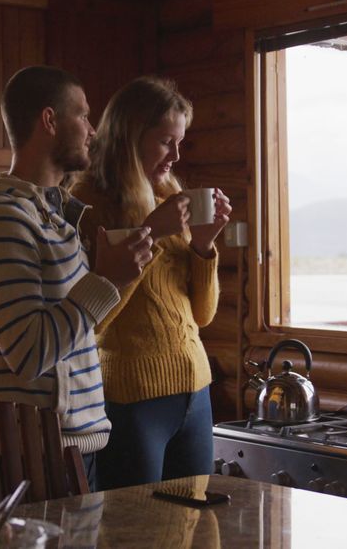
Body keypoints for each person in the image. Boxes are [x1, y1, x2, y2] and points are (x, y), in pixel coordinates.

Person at [0, 66, 154, 490]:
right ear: (49, 121)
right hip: (34, 454)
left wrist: (109, 280)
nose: (92, 131)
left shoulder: (51, 214)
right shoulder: (0, 218)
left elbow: (73, 331)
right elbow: (28, 355)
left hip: (71, 446)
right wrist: (105, 281)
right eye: (82, 115)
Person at [71, 76, 232, 489]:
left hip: (196, 392)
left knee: (194, 523)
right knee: (134, 529)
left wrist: (203, 246)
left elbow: (202, 315)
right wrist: (150, 234)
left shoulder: (168, 196)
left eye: (180, 141)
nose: (176, 155)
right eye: (166, 141)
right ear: (129, 136)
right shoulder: (89, 206)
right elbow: (93, 325)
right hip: (130, 399)